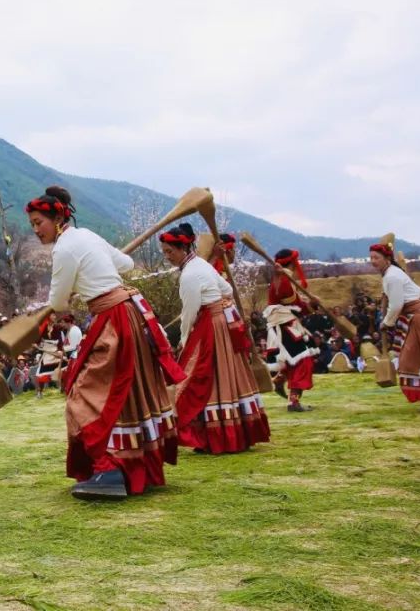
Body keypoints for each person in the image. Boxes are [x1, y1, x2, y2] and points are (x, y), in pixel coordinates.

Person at [27, 186, 181, 500]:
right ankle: (132, 466)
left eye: (38, 222)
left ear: (57, 218)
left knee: (84, 394)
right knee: (124, 394)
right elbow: (124, 264)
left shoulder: (64, 249)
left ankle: (107, 469)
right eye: (32, 224)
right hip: (127, 313)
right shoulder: (88, 236)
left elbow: (57, 301)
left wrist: (72, 286)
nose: (36, 230)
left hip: (112, 318)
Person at [159, 224, 270, 454]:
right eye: (165, 252)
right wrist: (217, 305)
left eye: (170, 251)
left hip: (209, 325)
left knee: (200, 375)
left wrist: (184, 338)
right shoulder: (201, 265)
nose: (167, 257)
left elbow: (189, 312)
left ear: (183, 247)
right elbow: (227, 289)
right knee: (222, 374)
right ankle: (231, 431)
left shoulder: (190, 274)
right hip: (221, 323)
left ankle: (214, 434)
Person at [263, 249, 318, 411]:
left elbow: (294, 306)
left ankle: (279, 381)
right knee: (302, 360)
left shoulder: (282, 278)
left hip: (285, 324)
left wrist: (309, 305)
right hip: (285, 325)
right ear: (293, 262)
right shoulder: (284, 280)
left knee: (294, 359)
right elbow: (295, 308)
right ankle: (293, 401)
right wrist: (311, 306)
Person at [369, 242, 420, 404]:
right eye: (371, 257)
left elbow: (397, 304)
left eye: (376, 257)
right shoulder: (391, 274)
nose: (372, 261)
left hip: (417, 318)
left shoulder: (392, 276)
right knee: (412, 361)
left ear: (387, 259)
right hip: (414, 317)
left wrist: (386, 323)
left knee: (409, 362)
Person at [33, 312, 64, 398]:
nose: (55, 316)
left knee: (62, 370)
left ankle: (63, 389)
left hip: (56, 351)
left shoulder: (57, 327)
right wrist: (36, 343)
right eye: (53, 315)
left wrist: (60, 350)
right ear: (48, 316)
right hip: (46, 352)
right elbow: (38, 339)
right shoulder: (43, 327)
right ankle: (40, 392)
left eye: (55, 314)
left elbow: (60, 340)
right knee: (41, 373)